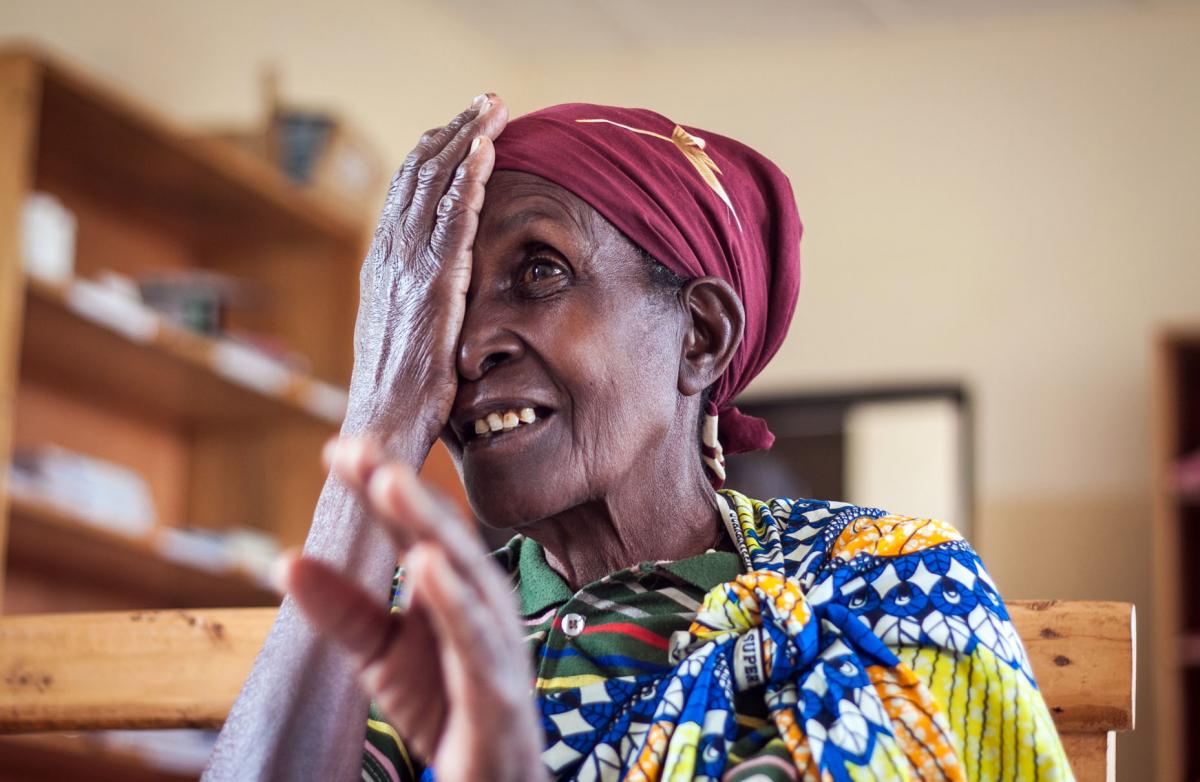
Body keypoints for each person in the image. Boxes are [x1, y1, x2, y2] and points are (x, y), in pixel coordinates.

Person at [205, 94, 1072, 781]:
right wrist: (378, 421)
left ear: (698, 336)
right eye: (444, 306)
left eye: (538, 271)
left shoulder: (885, 583)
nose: (466, 347)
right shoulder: (419, 624)